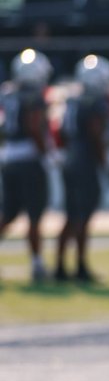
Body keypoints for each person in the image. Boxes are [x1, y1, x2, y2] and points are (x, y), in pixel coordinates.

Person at [54, 54, 109, 283]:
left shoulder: (71, 100)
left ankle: (60, 267)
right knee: (82, 217)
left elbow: (62, 132)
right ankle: (79, 266)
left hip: (69, 159)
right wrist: (106, 165)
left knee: (71, 216)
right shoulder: (95, 102)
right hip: (85, 162)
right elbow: (96, 135)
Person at [0, 48, 54, 283]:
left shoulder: (9, 93)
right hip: (28, 159)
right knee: (34, 216)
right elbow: (34, 127)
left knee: (8, 213)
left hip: (9, 157)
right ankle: (37, 264)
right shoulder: (33, 95)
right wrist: (47, 154)